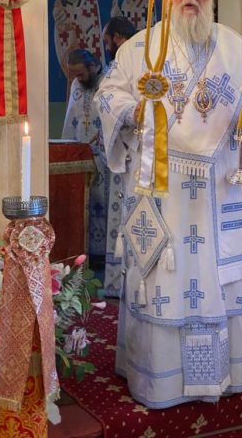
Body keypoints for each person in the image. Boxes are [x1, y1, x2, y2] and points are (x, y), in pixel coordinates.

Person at [95, 0, 242, 408]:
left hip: (216, 192)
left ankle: (214, 377)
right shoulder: (140, 47)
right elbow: (107, 96)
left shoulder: (236, 49)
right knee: (161, 278)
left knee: (212, 281)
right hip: (162, 191)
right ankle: (158, 382)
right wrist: (136, 112)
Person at [62, 49, 108, 267]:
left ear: (92, 66)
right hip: (82, 155)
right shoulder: (76, 86)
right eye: (74, 75)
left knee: (103, 203)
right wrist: (69, 149)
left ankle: (104, 254)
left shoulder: (108, 82)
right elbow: (70, 119)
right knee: (84, 204)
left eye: (80, 74)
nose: (77, 79)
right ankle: (85, 254)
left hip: (105, 158)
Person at [100, 16, 136, 296]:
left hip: (137, 157)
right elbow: (105, 98)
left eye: (107, 40)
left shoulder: (134, 56)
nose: (107, 47)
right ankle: (120, 281)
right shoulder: (121, 64)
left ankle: (127, 283)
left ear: (117, 37)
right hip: (124, 148)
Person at [53, 0, 105, 97]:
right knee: (75, 88)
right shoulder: (62, 4)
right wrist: (61, 25)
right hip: (74, 51)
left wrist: (74, 25)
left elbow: (91, 21)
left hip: (88, 46)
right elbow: (61, 32)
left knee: (92, 85)